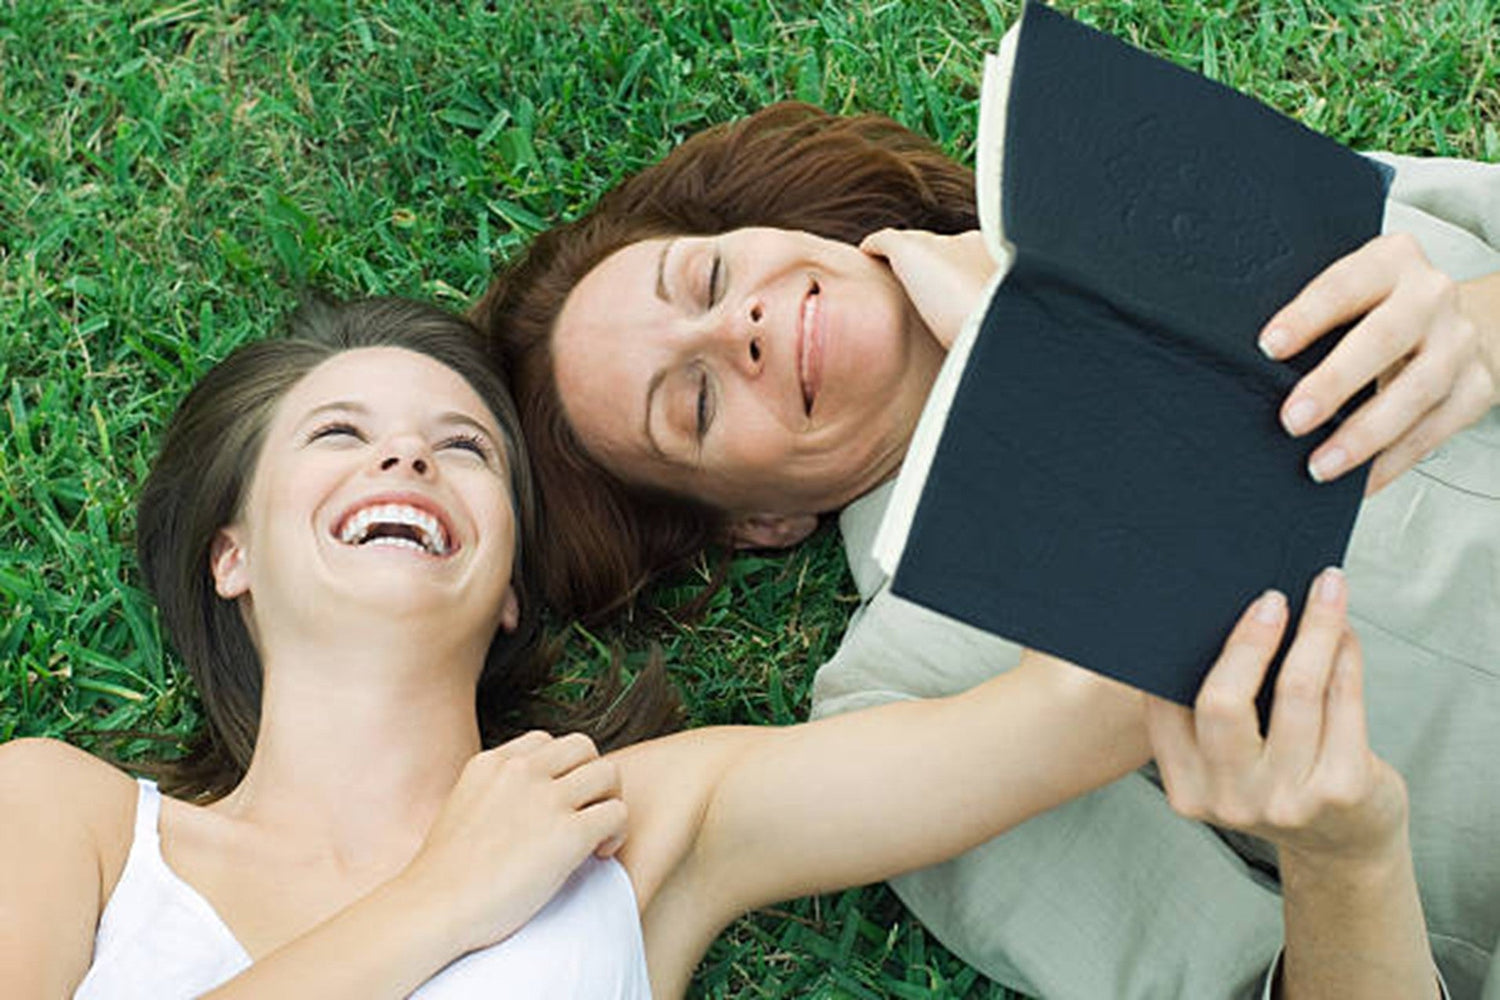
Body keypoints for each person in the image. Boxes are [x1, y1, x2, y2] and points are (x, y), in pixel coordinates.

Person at [473, 99, 1500, 998]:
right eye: (695, 403)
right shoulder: (906, 710)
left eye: (707, 275)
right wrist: (1347, 860)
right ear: (755, 523)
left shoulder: (1142, 185)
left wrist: (1475, 325)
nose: (736, 328)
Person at [0, 295, 1190, 998]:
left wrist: (1009, 334)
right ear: (232, 556)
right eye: (339, 433)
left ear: (509, 592)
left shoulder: (640, 825)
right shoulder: (66, 817)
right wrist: (440, 899)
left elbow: (1091, 702)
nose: (406, 458)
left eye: (463, 448)